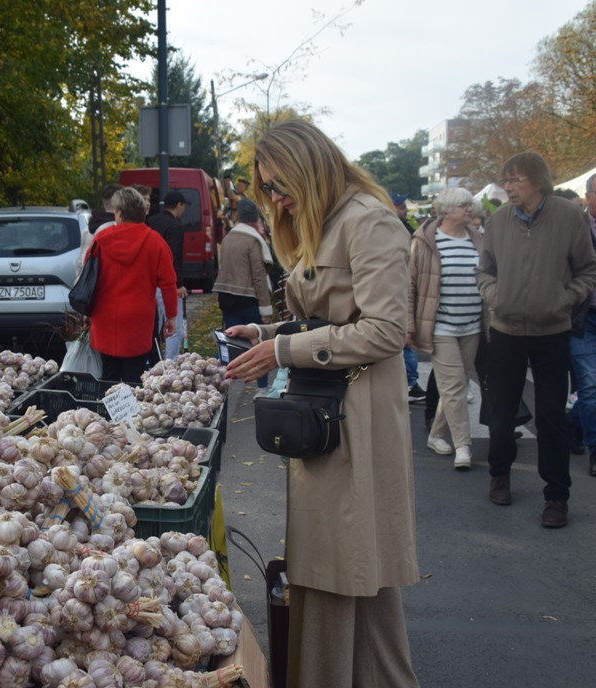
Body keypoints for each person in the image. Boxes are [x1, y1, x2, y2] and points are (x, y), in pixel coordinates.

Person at [225, 120, 419, 687]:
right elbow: (329, 319)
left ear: (309, 169)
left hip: (356, 417)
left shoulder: (369, 222)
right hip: (326, 412)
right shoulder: (327, 221)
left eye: (279, 185)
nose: (274, 199)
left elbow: (386, 331)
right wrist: (269, 334)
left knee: (345, 561)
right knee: (343, 564)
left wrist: (283, 348)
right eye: (267, 190)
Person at [477, 152, 596, 528]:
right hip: (506, 331)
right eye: (506, 180)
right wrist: (497, 298)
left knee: (551, 418)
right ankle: (500, 474)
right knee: (501, 413)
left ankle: (556, 496)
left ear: (538, 181)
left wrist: (564, 300)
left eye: (516, 180)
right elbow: (485, 272)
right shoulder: (497, 221)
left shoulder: (569, 217)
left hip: (552, 332)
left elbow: (587, 269)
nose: (508, 187)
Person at [408, 188, 484, 469]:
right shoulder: (425, 241)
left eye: (470, 205)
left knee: (458, 385)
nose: (470, 209)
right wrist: (408, 325)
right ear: (447, 210)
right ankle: (463, 445)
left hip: (473, 325)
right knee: (454, 387)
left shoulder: (477, 239)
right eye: (464, 205)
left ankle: (437, 433)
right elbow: (410, 287)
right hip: (440, 326)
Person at [87, 187, 177, 383]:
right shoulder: (156, 242)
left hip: (104, 319)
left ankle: (107, 412)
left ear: (118, 213)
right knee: (135, 376)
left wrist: (86, 313)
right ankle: (132, 412)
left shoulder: (101, 240)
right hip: (139, 321)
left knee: (108, 374)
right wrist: (171, 316)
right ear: (143, 211)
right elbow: (169, 283)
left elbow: (87, 278)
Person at [212, 198, 273, 386]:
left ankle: (216, 378)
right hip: (248, 298)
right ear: (255, 219)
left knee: (228, 343)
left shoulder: (228, 238)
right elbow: (259, 276)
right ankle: (261, 387)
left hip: (227, 297)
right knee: (258, 343)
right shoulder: (253, 241)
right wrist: (266, 310)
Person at [569, 173, 596, 477]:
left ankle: (573, 424)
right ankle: (595, 449)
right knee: (589, 386)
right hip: (583, 317)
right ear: (588, 196)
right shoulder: (574, 228)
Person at [390, 191, 426, 403]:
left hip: (401, 292)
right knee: (405, 343)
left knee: (405, 344)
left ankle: (409, 382)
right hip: (399, 293)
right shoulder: (395, 230)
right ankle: (410, 382)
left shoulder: (404, 228)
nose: (404, 210)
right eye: (400, 206)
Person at [146, 190, 188, 360]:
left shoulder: (150, 221)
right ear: (179, 205)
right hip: (166, 283)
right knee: (174, 327)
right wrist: (179, 283)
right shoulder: (175, 227)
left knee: (153, 325)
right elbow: (173, 257)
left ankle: (153, 360)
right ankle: (170, 363)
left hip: (148, 281)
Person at [79, 183, 121, 275]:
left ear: (103, 202)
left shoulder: (87, 229)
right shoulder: (116, 229)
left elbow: (80, 263)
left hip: (86, 282)